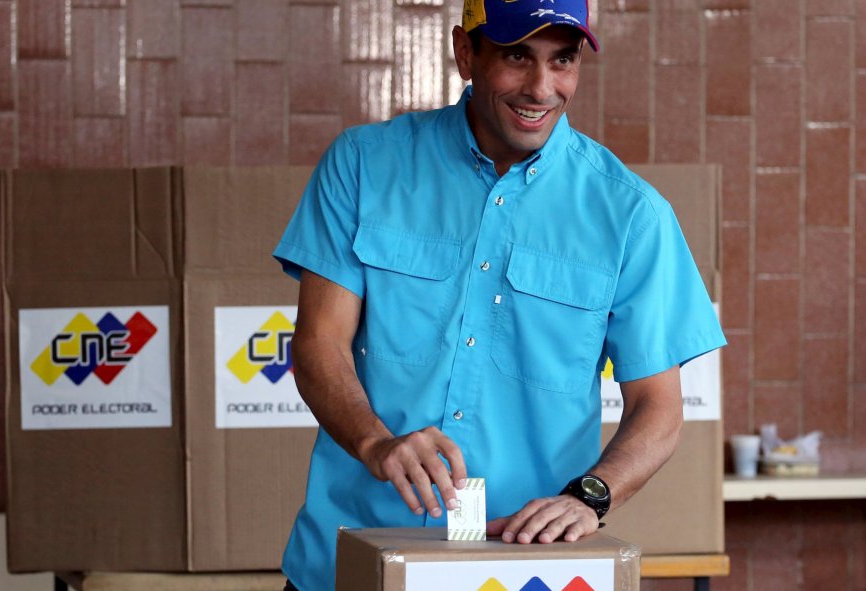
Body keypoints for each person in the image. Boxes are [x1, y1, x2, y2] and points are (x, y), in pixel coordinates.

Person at [272, 1, 727, 589]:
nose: (541, 87)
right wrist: (376, 442)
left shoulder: (632, 216)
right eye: (517, 56)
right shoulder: (362, 166)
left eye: (562, 60)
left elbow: (657, 407)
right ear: (466, 53)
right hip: (349, 563)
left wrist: (591, 496)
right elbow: (318, 343)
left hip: (526, 572)